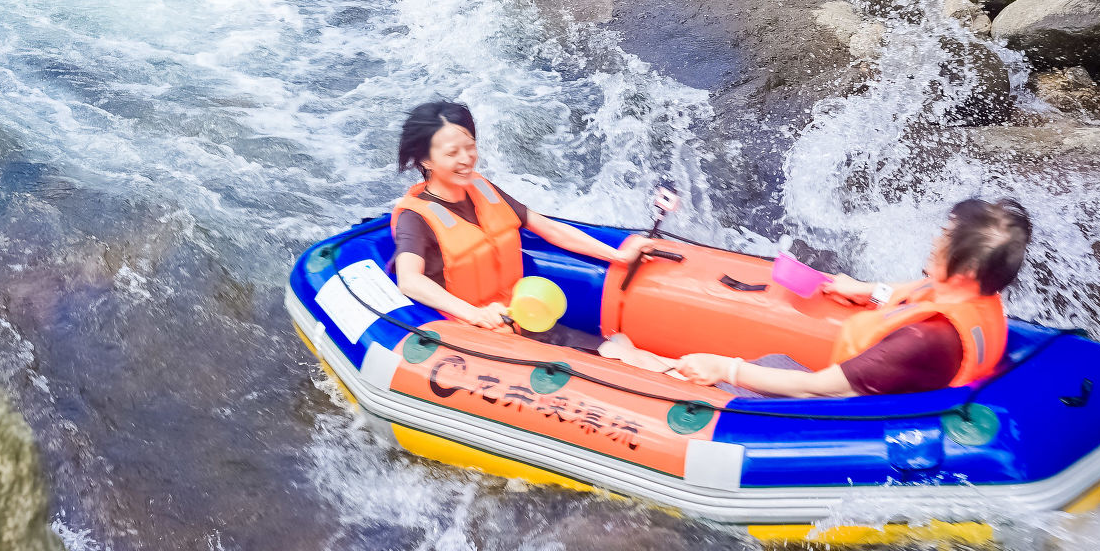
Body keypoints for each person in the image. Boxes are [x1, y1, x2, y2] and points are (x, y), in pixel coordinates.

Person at [386, 101, 673, 358]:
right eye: (452, 153)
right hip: (473, 338)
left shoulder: (481, 188)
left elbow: (549, 229)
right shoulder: (416, 217)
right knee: (618, 359)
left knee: (623, 351)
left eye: (470, 146)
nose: (466, 159)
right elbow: (410, 280)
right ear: (425, 160)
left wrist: (618, 256)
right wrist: (475, 314)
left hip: (524, 318)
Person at [675, 198, 1030, 397]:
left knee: (695, 380)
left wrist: (727, 368)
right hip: (884, 384)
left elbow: (816, 390)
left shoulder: (926, 340)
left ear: (967, 268)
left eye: (947, 236)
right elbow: (921, 294)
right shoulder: (976, 296)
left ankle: (631, 359)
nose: (938, 241)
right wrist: (867, 291)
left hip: (839, 414)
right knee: (769, 359)